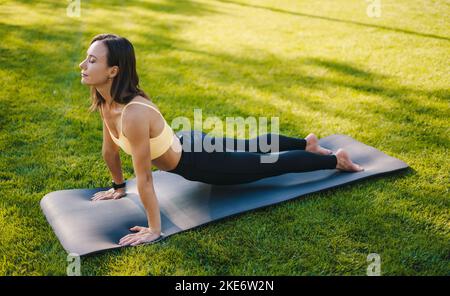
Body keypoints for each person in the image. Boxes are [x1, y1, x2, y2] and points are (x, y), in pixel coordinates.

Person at [79, 33, 364, 247]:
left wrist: (155, 229)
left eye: (92, 60)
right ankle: (306, 143)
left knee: (268, 164)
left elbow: (145, 179)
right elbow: (110, 152)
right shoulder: (107, 103)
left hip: (201, 162)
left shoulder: (133, 114)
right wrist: (117, 187)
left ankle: (334, 160)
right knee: (252, 146)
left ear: (113, 71)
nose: (83, 64)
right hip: (188, 143)